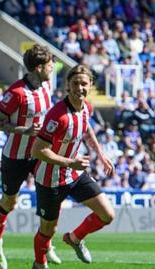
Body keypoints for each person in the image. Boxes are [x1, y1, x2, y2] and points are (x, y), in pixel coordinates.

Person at [30, 65, 115, 269]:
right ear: (68, 85)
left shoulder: (87, 107)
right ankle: (39, 264)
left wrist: (101, 155)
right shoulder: (57, 116)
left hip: (74, 174)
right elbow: (37, 151)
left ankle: (75, 238)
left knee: (107, 215)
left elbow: (86, 129)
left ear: (91, 85)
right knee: (48, 230)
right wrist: (71, 162)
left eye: (84, 83)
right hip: (50, 179)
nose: (80, 87)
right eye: (75, 83)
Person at [0, 44, 61, 269]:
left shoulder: (47, 85)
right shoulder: (17, 93)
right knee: (10, 201)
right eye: (50, 65)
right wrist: (24, 130)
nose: (53, 68)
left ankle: (46, 244)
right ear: (39, 68)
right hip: (15, 156)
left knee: (50, 198)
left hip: (41, 153)